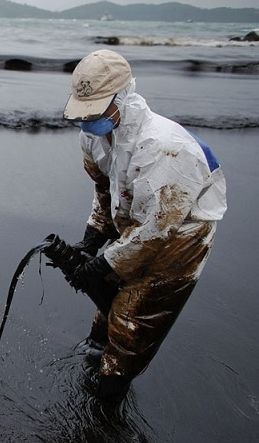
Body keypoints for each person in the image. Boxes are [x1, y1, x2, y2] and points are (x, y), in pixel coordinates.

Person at [62, 49, 227, 401]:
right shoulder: (92, 135)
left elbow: (157, 229)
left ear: (123, 98)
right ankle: (95, 356)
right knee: (108, 297)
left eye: (97, 110)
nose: (87, 119)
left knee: (137, 314)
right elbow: (104, 190)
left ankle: (110, 393)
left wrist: (105, 261)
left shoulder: (165, 148)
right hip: (138, 220)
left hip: (182, 234)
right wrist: (92, 240)